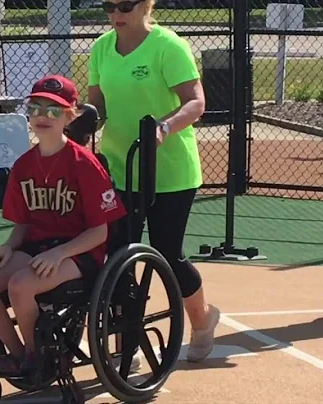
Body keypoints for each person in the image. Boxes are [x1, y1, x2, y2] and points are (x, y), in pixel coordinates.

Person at [87, 0, 220, 361]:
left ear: (146, 6)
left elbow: (195, 102)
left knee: (166, 254)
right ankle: (120, 339)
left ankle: (203, 321)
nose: (117, 13)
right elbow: (96, 107)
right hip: (119, 168)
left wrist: (164, 126)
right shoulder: (100, 48)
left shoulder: (168, 45)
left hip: (171, 172)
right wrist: (81, 125)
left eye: (125, 6)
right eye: (109, 6)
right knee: (116, 254)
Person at [0, 75, 127, 374]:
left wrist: (60, 254)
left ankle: (35, 359)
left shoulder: (84, 163)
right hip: (38, 247)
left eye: (53, 110)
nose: (42, 116)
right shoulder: (24, 165)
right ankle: (21, 356)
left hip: (81, 253)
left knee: (21, 285)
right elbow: (24, 224)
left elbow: (100, 232)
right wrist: (7, 247)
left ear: (70, 115)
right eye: (35, 108)